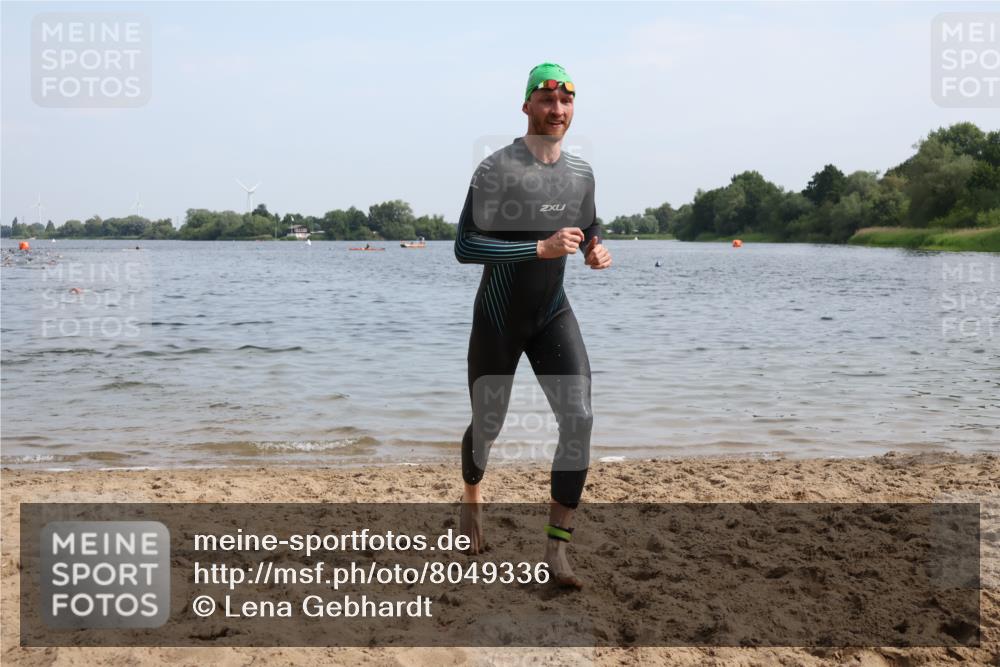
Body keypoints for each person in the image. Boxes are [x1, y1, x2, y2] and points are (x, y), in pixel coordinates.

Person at [454, 63, 612, 588]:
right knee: (488, 426)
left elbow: (589, 222)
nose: (557, 110)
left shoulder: (581, 173)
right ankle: (472, 497)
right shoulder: (497, 169)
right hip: (499, 316)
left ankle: (556, 552)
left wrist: (594, 248)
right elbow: (465, 245)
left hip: (552, 312)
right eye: (546, 100)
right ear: (526, 106)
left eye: (565, 101)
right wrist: (538, 247)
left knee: (580, 418)